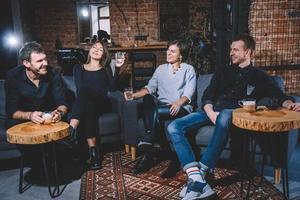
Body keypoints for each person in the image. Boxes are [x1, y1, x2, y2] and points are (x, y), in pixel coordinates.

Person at [167, 34, 300, 199]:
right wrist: (209, 112)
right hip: (212, 111)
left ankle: (202, 170)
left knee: (224, 115)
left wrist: (290, 104)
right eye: (231, 49)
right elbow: (208, 94)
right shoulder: (223, 70)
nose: (231, 53)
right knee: (174, 126)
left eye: (236, 50)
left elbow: (278, 95)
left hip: (235, 113)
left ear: (248, 52)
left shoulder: (259, 75)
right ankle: (196, 177)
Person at [124, 40, 196, 177]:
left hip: (181, 107)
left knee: (154, 112)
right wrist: (134, 95)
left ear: (181, 55)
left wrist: (179, 102)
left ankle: (149, 148)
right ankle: (154, 151)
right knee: (147, 99)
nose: (168, 53)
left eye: (173, 51)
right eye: (168, 50)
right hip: (162, 108)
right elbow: (150, 88)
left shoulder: (188, 69)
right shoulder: (161, 69)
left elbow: (189, 93)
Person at [5, 41, 68, 177]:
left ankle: (56, 160)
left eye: (45, 59)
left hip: (48, 116)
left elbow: (62, 103)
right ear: (26, 63)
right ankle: (41, 164)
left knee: (65, 122)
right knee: (10, 125)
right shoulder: (13, 77)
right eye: (39, 61)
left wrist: (59, 113)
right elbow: (11, 111)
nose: (45, 63)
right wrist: (30, 115)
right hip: (24, 118)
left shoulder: (53, 73)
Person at [68, 40, 125, 170]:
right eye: (94, 47)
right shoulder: (78, 68)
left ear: (103, 55)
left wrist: (117, 67)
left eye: (100, 49)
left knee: (87, 94)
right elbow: (79, 89)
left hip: (102, 103)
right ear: (89, 50)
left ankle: (71, 129)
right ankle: (94, 154)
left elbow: (113, 88)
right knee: (88, 105)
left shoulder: (105, 69)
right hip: (88, 103)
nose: (96, 50)